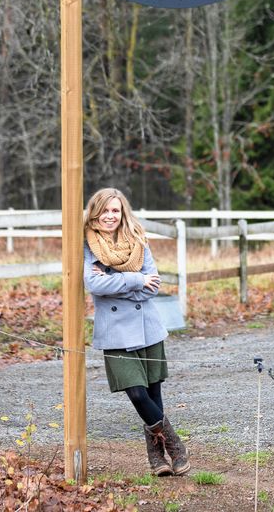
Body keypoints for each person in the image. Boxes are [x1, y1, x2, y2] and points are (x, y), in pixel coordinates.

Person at [83, 187, 190, 476]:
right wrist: (135, 279)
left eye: (115, 210)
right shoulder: (88, 245)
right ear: (95, 212)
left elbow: (152, 286)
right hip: (116, 333)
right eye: (105, 210)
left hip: (148, 327)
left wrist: (122, 283)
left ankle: (157, 460)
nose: (110, 216)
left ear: (122, 213)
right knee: (137, 394)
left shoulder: (138, 240)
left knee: (154, 394)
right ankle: (175, 444)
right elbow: (94, 285)